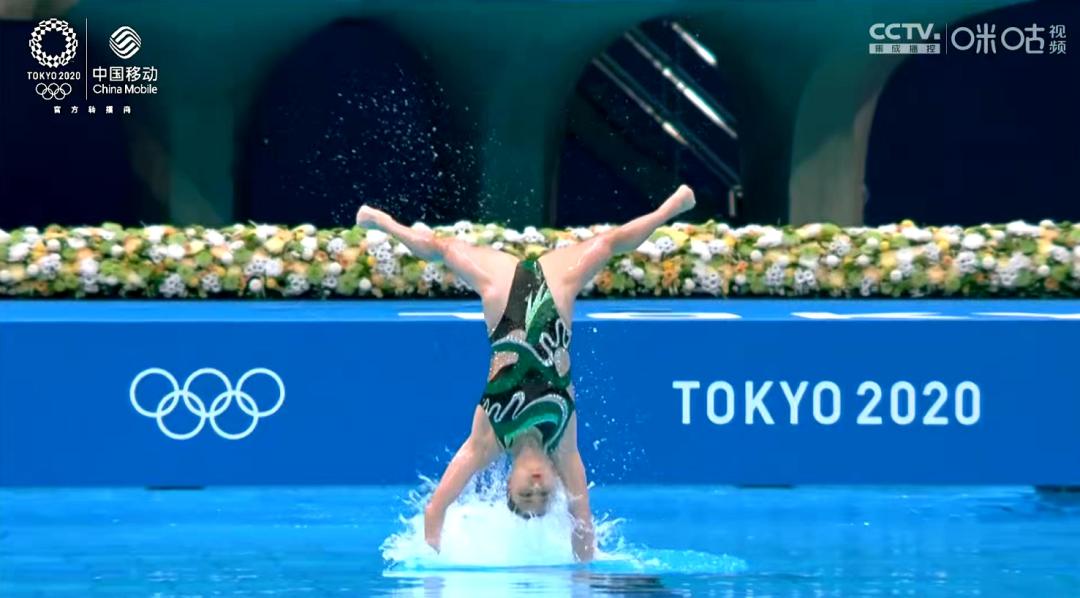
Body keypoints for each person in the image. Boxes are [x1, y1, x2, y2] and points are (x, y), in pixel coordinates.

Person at [355, 185, 697, 562]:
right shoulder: (562, 444)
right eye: (544, 495)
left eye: (524, 494)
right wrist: (586, 581)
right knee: (608, 243)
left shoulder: (490, 436)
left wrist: (433, 577)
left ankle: (385, 223)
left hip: (503, 299)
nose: (537, 487)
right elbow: (583, 526)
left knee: (442, 248)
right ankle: (670, 208)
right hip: (555, 288)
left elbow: (434, 510)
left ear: (508, 484)